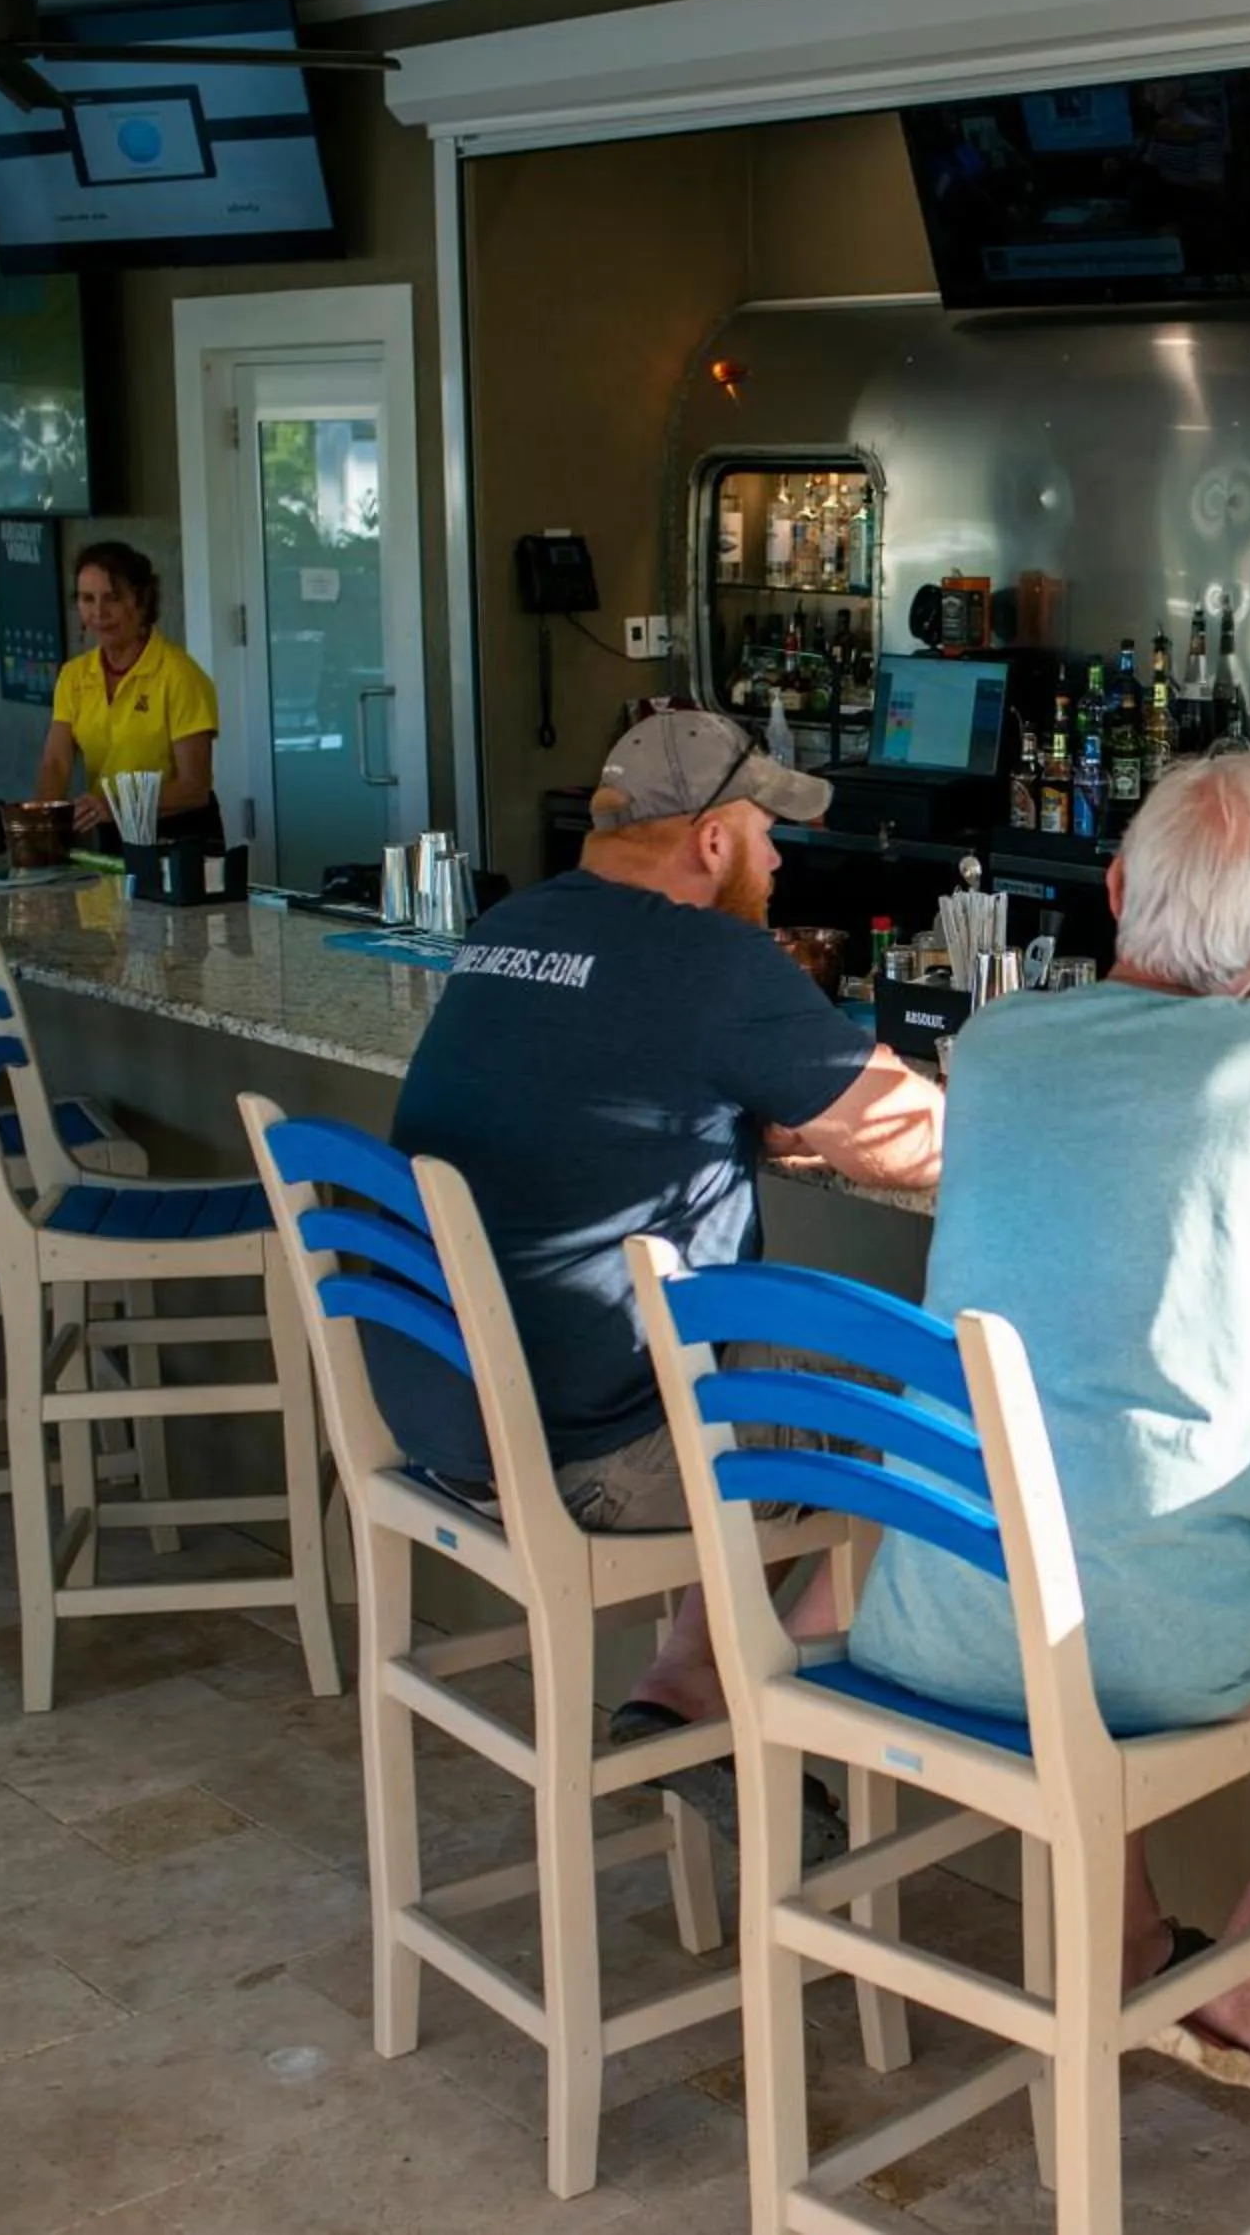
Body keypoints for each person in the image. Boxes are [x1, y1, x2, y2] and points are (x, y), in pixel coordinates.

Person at [847, 750, 1250, 2082]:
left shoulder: (997, 1041)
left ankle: (1133, 1938)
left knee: (1070, 1487)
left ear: (1118, 883)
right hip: (1173, 1652)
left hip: (945, 1615)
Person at [365, 704, 944, 1848]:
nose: (783, 860)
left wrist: (764, 1110)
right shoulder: (710, 957)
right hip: (593, 1461)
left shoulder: (509, 926)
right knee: (941, 1413)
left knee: (728, 1354)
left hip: (445, 1420)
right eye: (771, 832)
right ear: (714, 842)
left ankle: (683, 1687)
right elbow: (917, 1142)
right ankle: (756, 1722)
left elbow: (615, 1088)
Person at [39, 541, 224, 847]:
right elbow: (56, 763)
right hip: (110, 832)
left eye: (112, 598)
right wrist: (41, 829)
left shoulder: (179, 675)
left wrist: (115, 805)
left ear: (141, 601)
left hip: (177, 838)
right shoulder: (74, 675)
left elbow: (194, 787)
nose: (99, 612)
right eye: (87, 599)